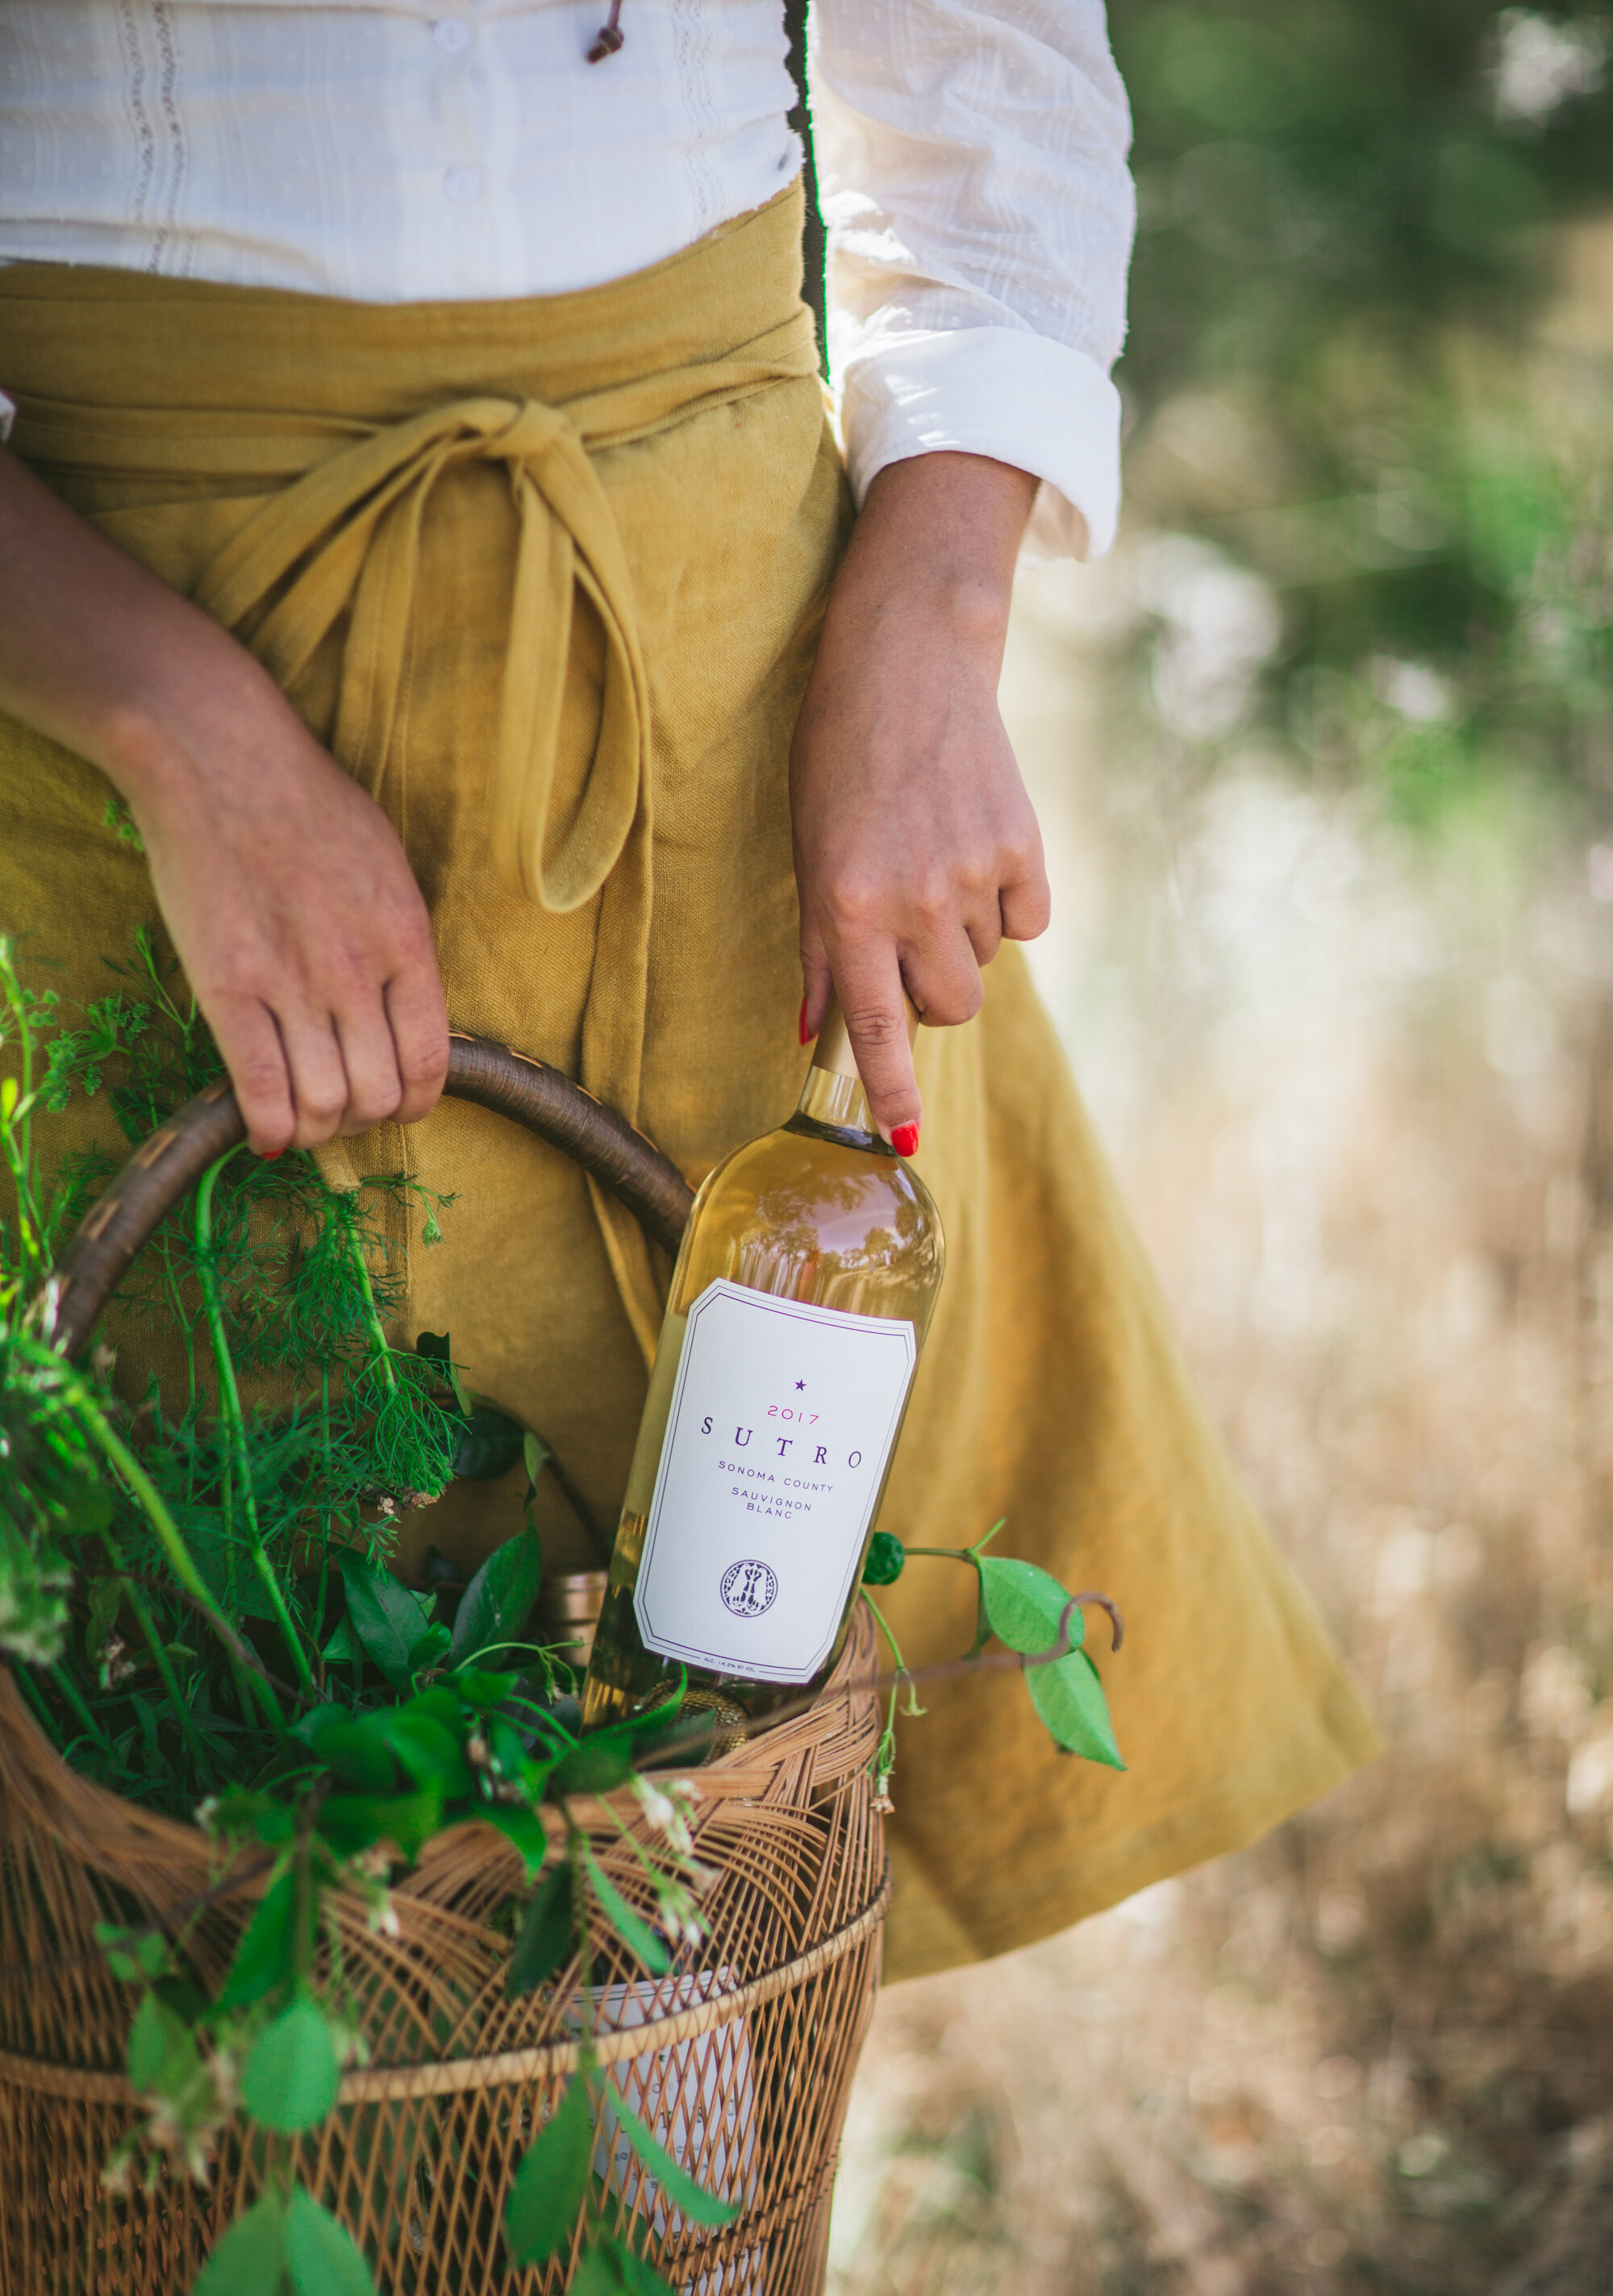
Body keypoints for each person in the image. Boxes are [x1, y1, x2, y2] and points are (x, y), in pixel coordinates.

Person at [0, 0, 1377, 1981]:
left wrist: (927, 617)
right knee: (217, 1805)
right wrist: (173, 732)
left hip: (727, 689)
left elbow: (990, 69)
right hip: (114, 668)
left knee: (747, 1790)